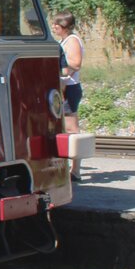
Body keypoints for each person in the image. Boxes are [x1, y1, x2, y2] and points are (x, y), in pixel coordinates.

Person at [52, 12, 85, 181]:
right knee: (65, 128)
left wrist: (59, 65)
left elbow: (76, 64)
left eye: (56, 25)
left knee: (72, 128)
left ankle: (76, 170)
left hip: (69, 87)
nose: (53, 27)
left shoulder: (72, 40)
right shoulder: (64, 41)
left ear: (64, 26)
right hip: (64, 86)